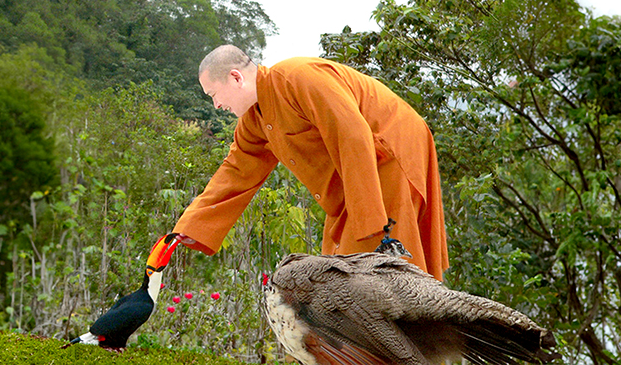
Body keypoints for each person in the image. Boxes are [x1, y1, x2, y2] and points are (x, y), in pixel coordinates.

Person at [172, 45, 448, 280]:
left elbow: (352, 133)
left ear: (236, 77)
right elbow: (236, 171)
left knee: (373, 265)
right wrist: (190, 227)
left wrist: (367, 219)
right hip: (354, 177)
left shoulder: (297, 77)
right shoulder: (253, 122)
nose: (216, 105)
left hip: (389, 149)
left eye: (213, 94)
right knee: (336, 263)